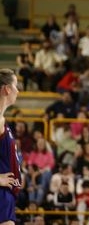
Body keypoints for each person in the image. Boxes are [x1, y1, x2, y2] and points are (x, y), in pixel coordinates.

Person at [0, 69, 21, 225]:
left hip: (6, 194)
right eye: (16, 86)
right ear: (7, 89)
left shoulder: (2, 119)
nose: (18, 91)